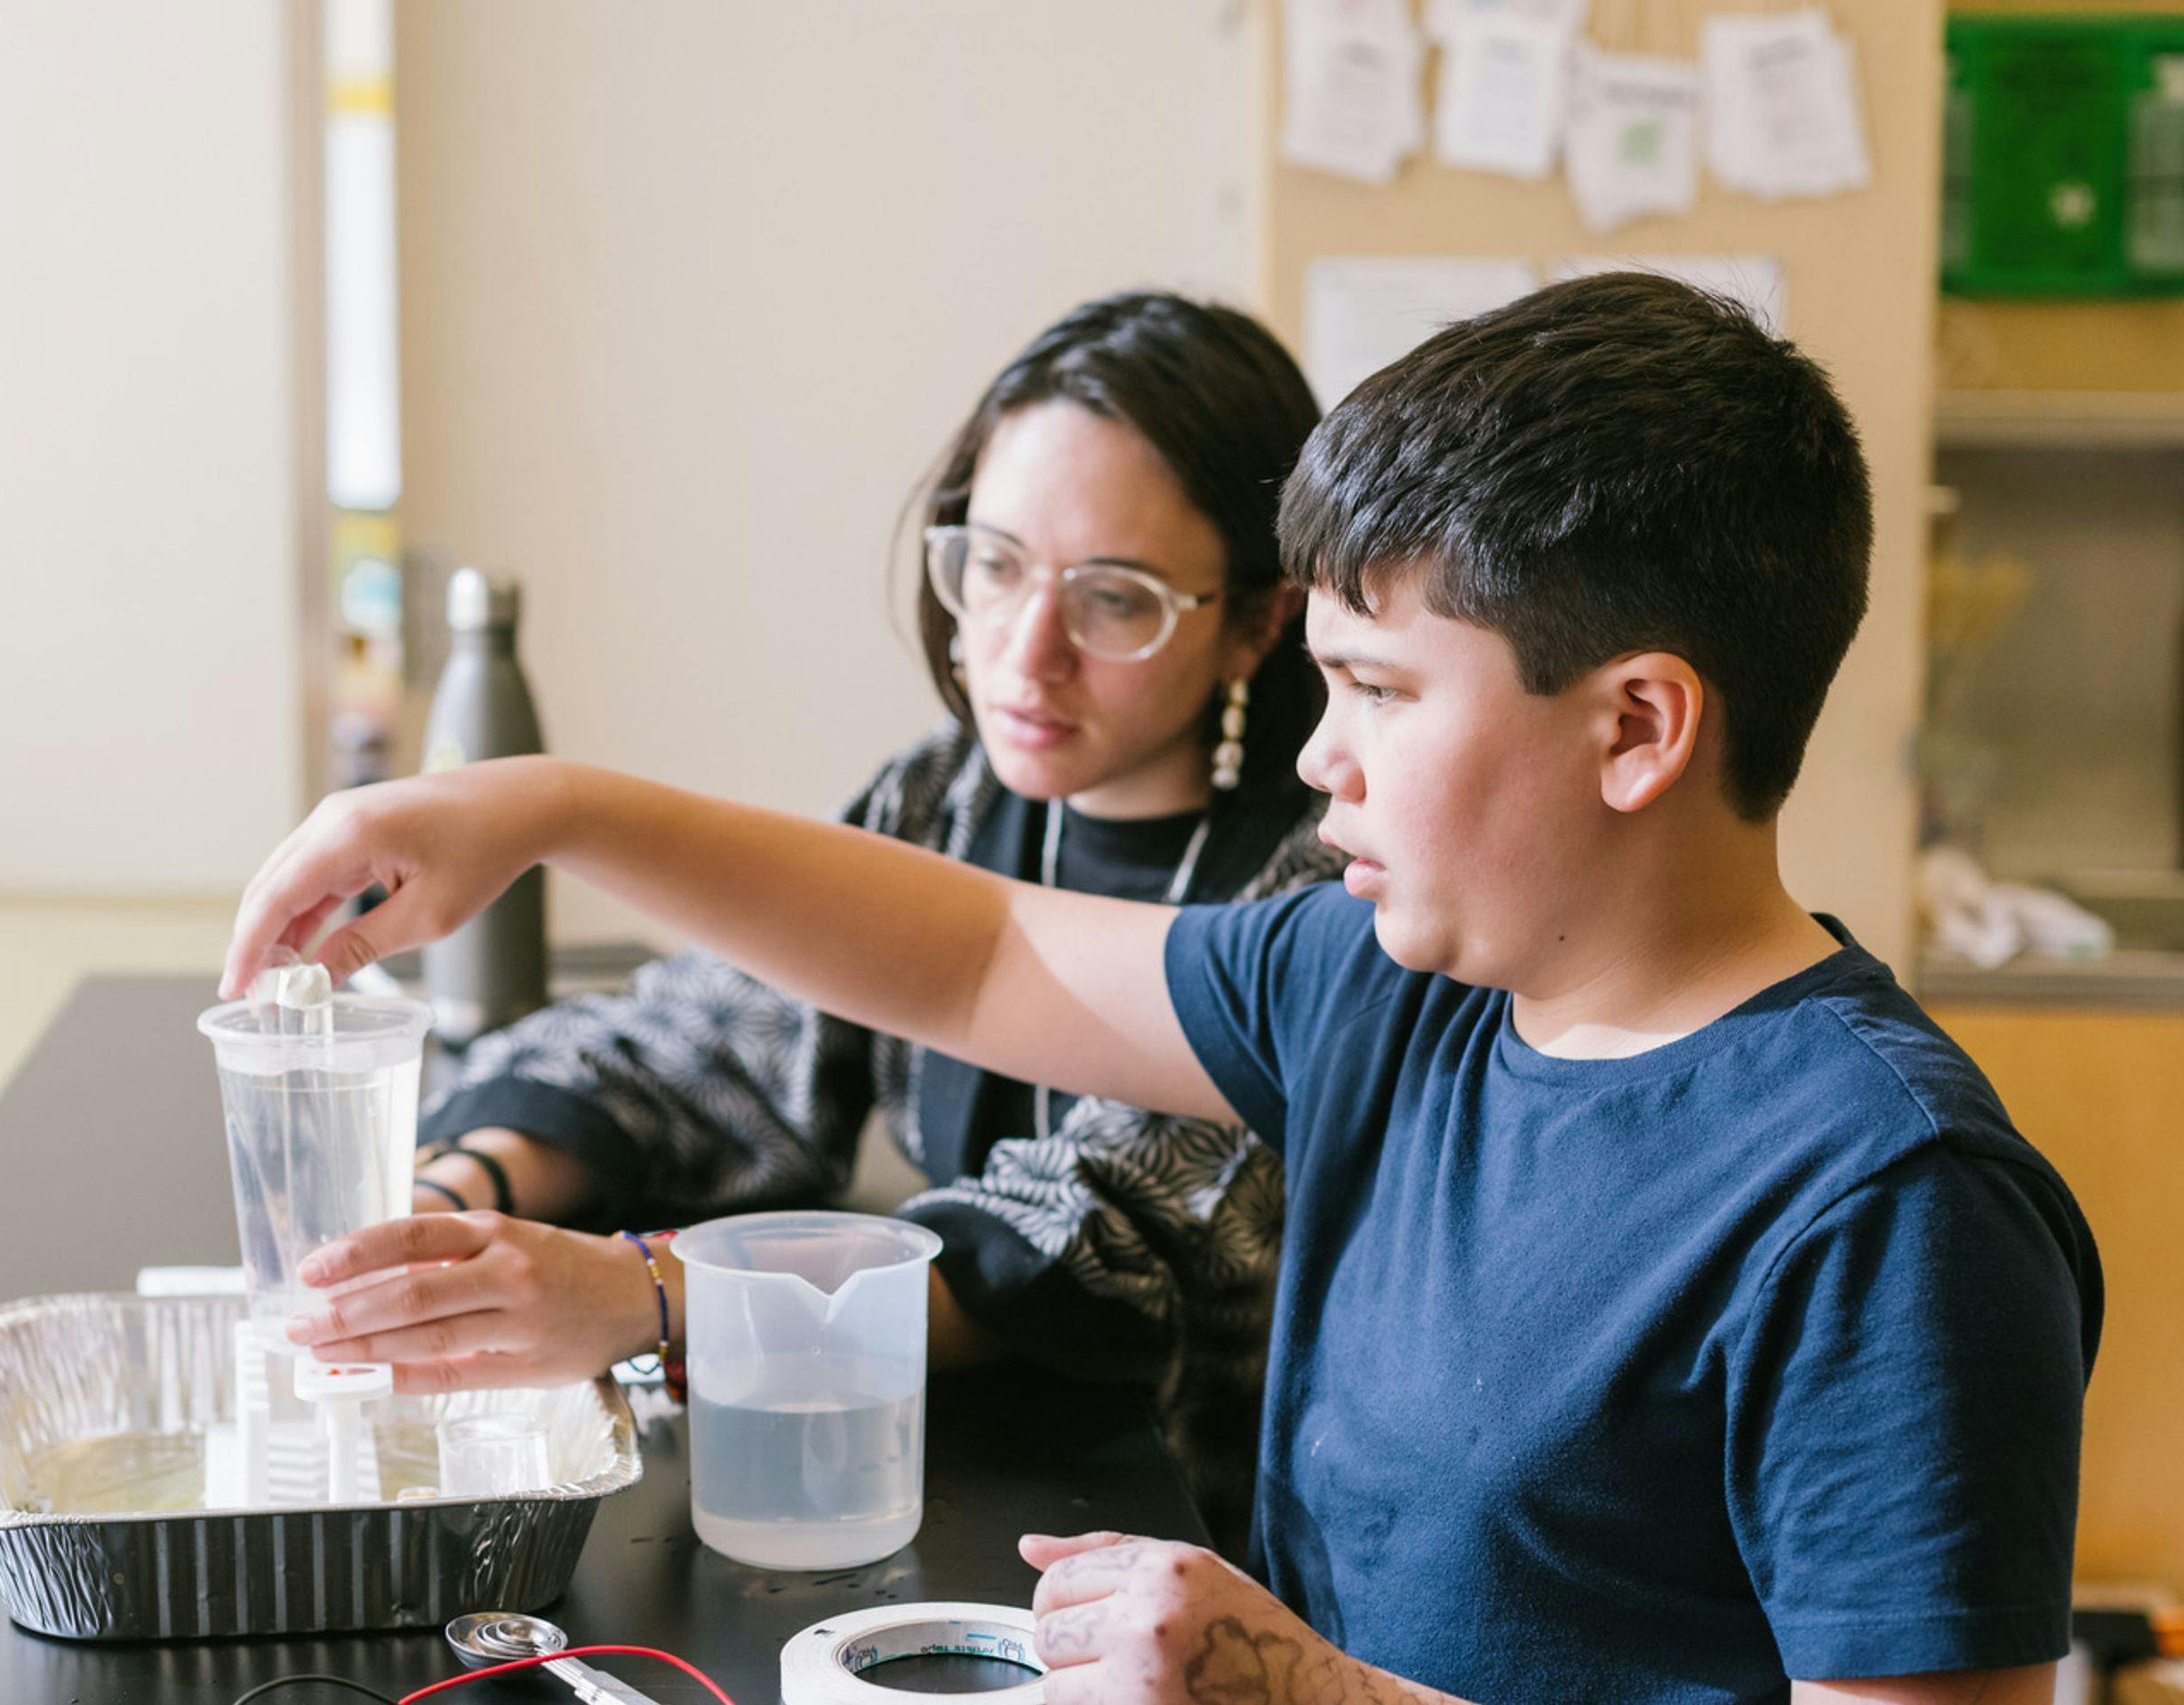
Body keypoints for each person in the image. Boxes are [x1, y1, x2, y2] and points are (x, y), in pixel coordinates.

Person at [229, 274, 2099, 1702]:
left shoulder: (1886, 1210)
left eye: (1380, 692)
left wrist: (1320, 1690)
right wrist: (536, 809)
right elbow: (968, 943)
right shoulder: (1383, 985)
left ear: (1635, 728)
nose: (1320, 760)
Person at [399, 291, 1341, 1547]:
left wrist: (644, 1293)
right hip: (946, 1488)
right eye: (993, 566)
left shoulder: (1331, 874)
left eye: (1114, 600)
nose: (1022, 652)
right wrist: (462, 1191)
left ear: (1260, 617)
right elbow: (714, 1036)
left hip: (1211, 1561)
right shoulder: (942, 794)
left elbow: (1096, 1223)